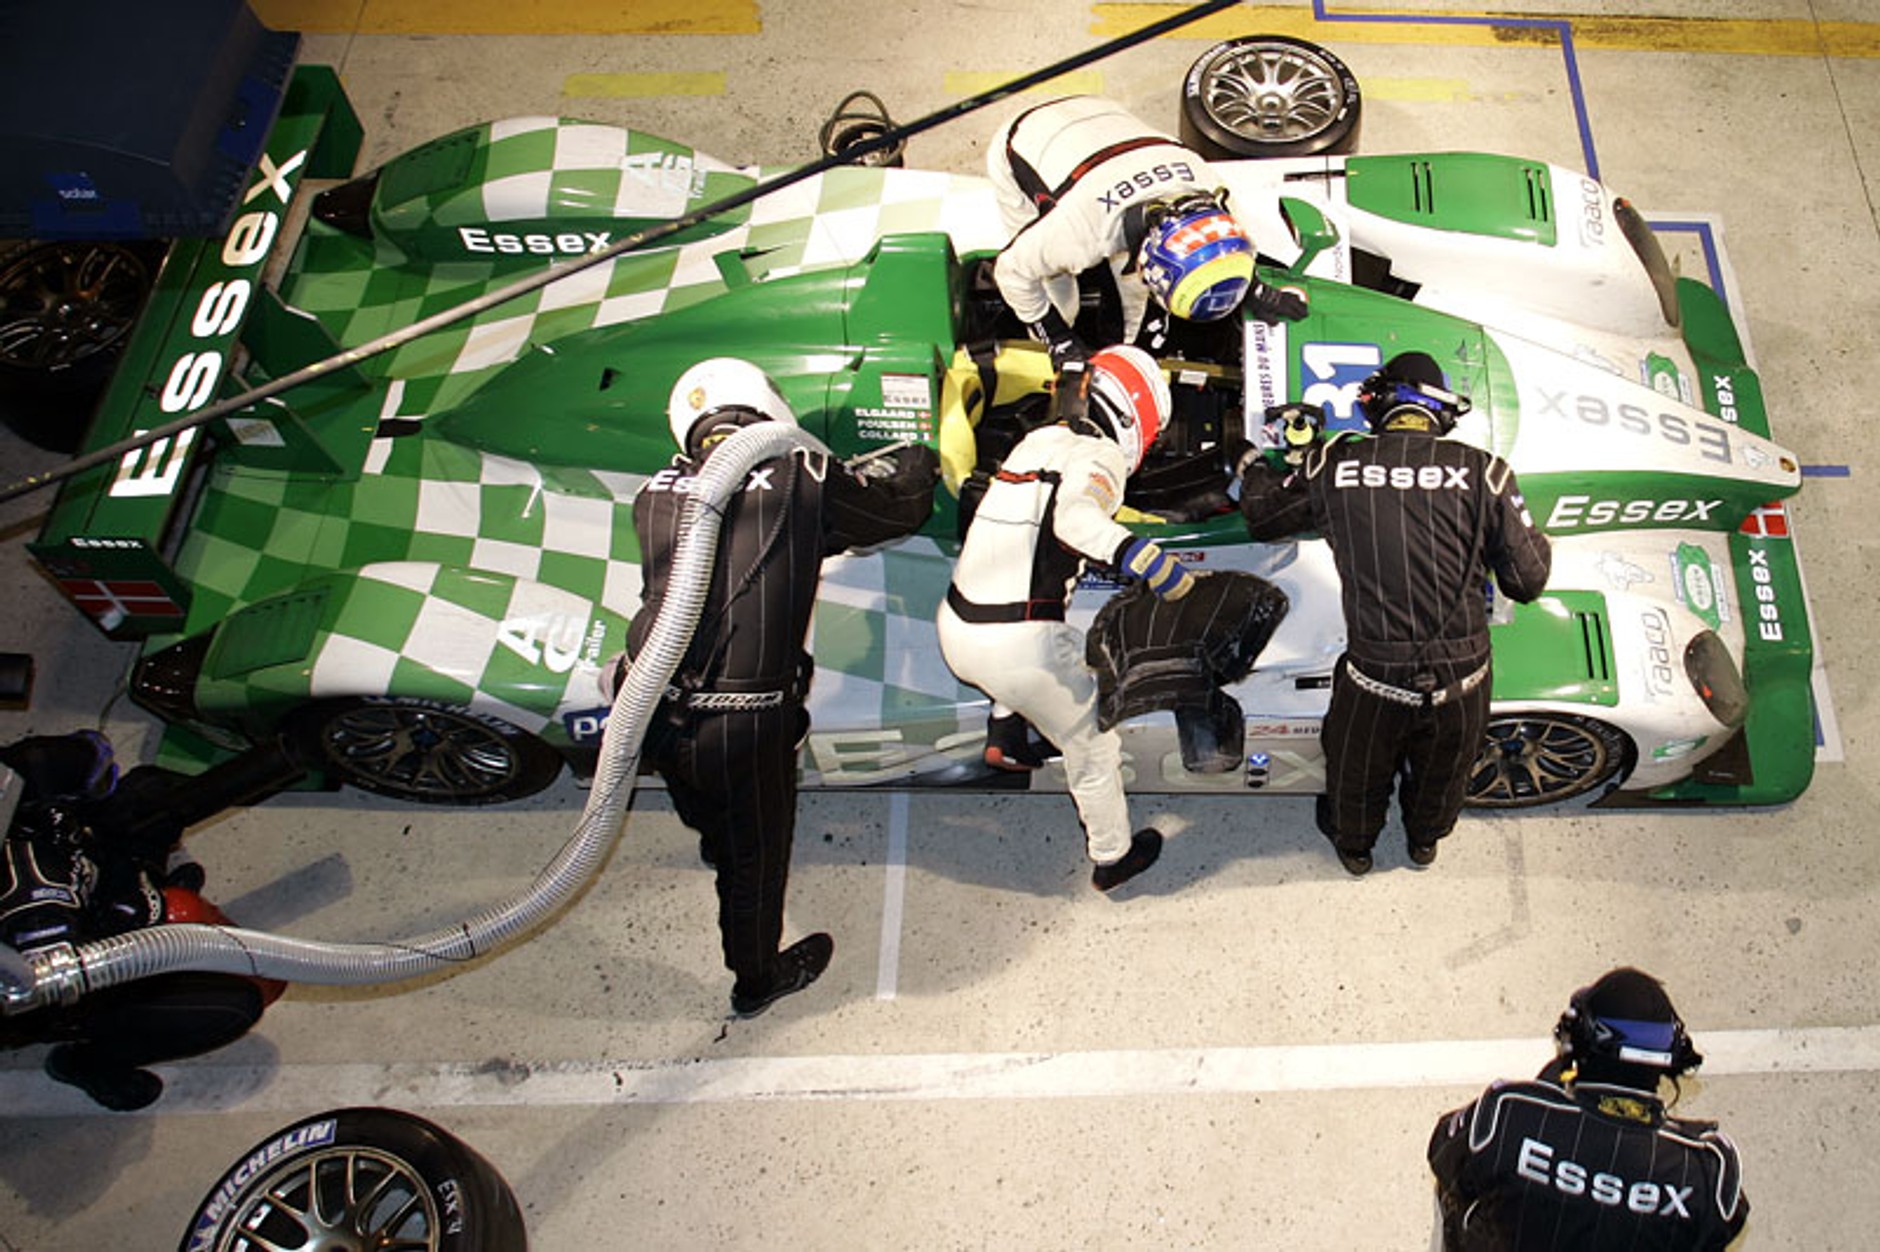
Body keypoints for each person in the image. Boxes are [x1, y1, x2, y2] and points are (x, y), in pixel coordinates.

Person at [612, 358, 938, 1018]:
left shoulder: (655, 490)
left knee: (700, 799)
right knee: (756, 861)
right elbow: (892, 511)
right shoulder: (801, 473)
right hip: (743, 720)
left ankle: (715, 839)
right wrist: (921, 462)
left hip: (646, 696)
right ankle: (756, 979)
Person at [1236, 350, 1552, 875]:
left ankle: (1354, 849)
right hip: (1465, 678)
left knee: (1356, 771)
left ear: (1380, 405)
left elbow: (1263, 517)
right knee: (1445, 776)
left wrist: (1252, 467)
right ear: (1439, 412)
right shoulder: (1488, 473)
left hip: (1374, 676)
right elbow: (1528, 581)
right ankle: (1424, 843)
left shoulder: (1332, 463)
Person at [938, 344, 1189, 893]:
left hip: (956, 625)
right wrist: (1153, 564)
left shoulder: (1037, 441)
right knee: (1094, 748)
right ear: (1135, 418)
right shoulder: (1102, 458)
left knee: (1042, 627)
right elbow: (1075, 521)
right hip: (1017, 647)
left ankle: (1006, 734)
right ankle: (1113, 857)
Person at [0, 731, 280, 1111]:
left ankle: (148, 879)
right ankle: (88, 1064)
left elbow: (93, 788)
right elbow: (59, 984)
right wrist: (129, 911)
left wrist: (131, 865)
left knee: (149, 792)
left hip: (86, 892)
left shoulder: (27, 795)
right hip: (52, 988)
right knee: (231, 1007)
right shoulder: (36, 908)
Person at [1428, 966, 1749, 1250]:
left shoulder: (1506, 1115)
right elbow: (1725, 1226)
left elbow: (1441, 1149)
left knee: (1464, 1171)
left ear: (1579, 1040)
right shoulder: (1707, 1170)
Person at [985, 94, 1305, 363]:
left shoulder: (1215, 189)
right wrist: (1057, 337)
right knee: (1061, 299)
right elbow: (1010, 272)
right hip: (1027, 138)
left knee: (1130, 311)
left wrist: (1251, 288)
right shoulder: (1078, 232)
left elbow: (1223, 249)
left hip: (1102, 114)